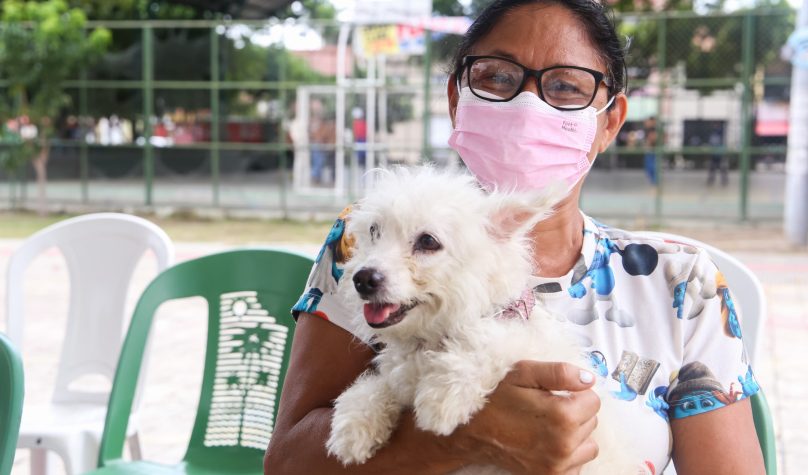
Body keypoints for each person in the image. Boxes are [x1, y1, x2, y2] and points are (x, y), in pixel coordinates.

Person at [264, 0, 765, 473]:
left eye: (566, 86)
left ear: (609, 120)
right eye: (497, 78)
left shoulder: (680, 282)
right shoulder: (364, 245)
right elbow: (287, 463)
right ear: (457, 100)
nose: (528, 106)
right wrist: (464, 436)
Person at [643, 117, 658, 186]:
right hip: (649, 151)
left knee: (653, 167)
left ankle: (655, 182)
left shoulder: (655, 130)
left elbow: (652, 139)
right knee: (648, 167)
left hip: (653, 151)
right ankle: (653, 181)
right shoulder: (647, 130)